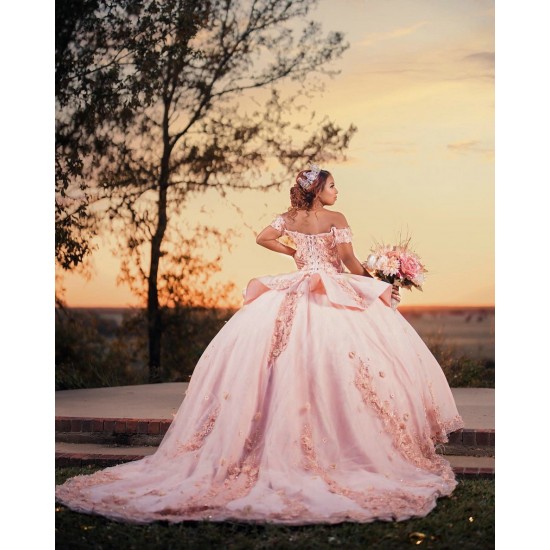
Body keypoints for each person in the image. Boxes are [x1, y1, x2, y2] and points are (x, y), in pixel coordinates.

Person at [56, 164, 464, 525]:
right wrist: (379, 285)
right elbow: (350, 263)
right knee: (345, 361)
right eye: (332, 185)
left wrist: (294, 253)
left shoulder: (288, 217)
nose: (337, 191)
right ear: (318, 189)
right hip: (332, 288)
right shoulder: (336, 217)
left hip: (296, 284)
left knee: (277, 357)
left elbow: (263, 237)